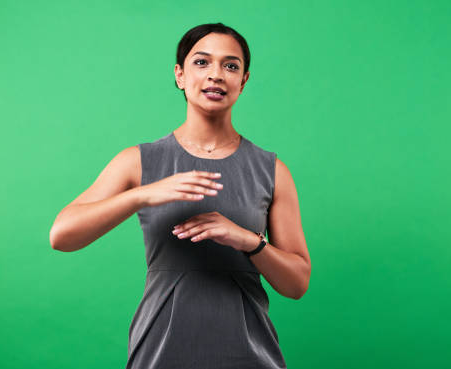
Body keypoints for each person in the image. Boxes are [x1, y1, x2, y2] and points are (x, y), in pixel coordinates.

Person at [49, 22, 311, 369]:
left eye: (230, 66)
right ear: (180, 75)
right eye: (202, 62)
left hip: (249, 354)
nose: (216, 74)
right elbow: (61, 235)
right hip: (161, 351)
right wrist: (141, 195)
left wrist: (248, 241)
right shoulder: (138, 161)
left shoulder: (272, 170)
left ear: (243, 81)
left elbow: (296, 283)